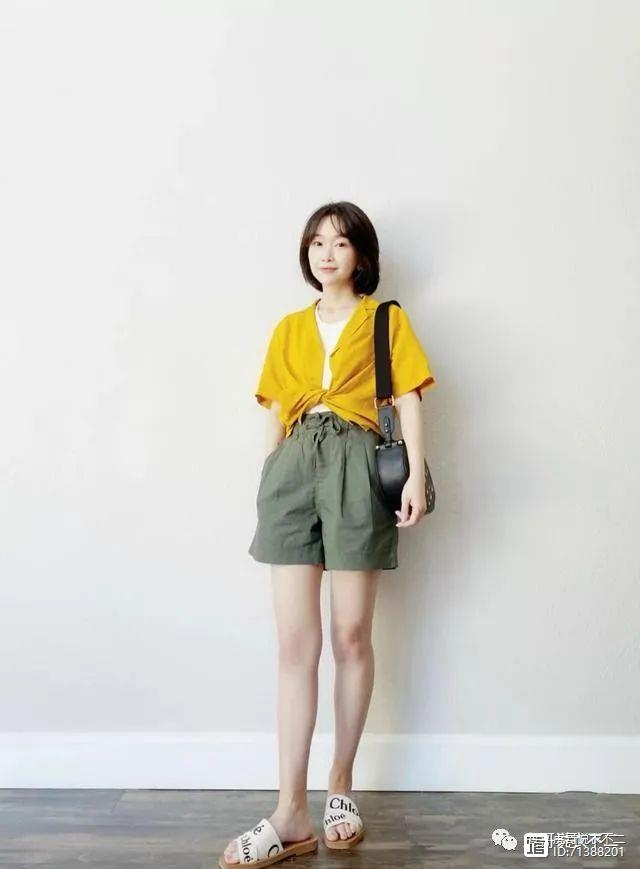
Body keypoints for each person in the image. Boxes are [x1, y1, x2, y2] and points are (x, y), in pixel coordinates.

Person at [219, 201, 437, 868]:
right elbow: (277, 411)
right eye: (316, 242)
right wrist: (269, 478)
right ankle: (290, 810)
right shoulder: (288, 328)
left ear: (361, 254)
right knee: (294, 643)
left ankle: (340, 786)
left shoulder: (385, 320)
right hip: (293, 473)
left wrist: (414, 476)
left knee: (350, 635)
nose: (326, 253)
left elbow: (408, 397)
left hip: (356, 466)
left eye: (340, 243)